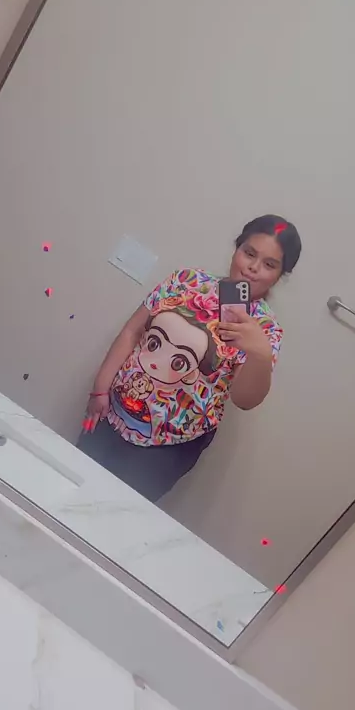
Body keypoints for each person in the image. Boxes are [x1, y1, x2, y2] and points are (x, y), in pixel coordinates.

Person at [77, 214, 302, 502]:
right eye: (249, 253)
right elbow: (132, 332)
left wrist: (259, 352)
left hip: (167, 446)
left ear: (279, 275)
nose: (253, 268)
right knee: (70, 485)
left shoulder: (265, 329)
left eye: (269, 265)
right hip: (111, 412)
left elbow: (244, 400)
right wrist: (100, 388)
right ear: (237, 247)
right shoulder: (185, 280)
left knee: (113, 512)